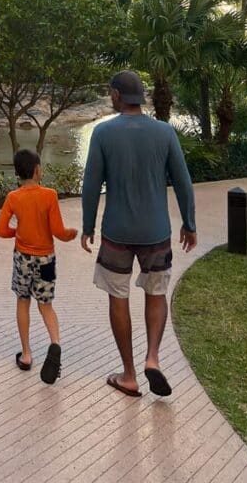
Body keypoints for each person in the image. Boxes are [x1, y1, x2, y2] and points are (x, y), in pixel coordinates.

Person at [81, 70, 197, 398]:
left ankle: (129, 375)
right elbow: (183, 182)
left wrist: (88, 226)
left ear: (117, 95)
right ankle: (153, 358)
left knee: (118, 296)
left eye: (110, 92)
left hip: (116, 232)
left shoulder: (103, 133)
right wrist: (189, 223)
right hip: (156, 231)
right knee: (156, 292)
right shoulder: (164, 133)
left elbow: (91, 185)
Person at [0, 149, 78, 384]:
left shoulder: (13, 197)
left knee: (23, 301)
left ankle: (27, 355)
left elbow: (1, 230)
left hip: (23, 258)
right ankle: (55, 344)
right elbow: (58, 231)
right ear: (37, 170)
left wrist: (18, 233)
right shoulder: (49, 195)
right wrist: (70, 234)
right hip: (46, 260)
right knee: (46, 305)